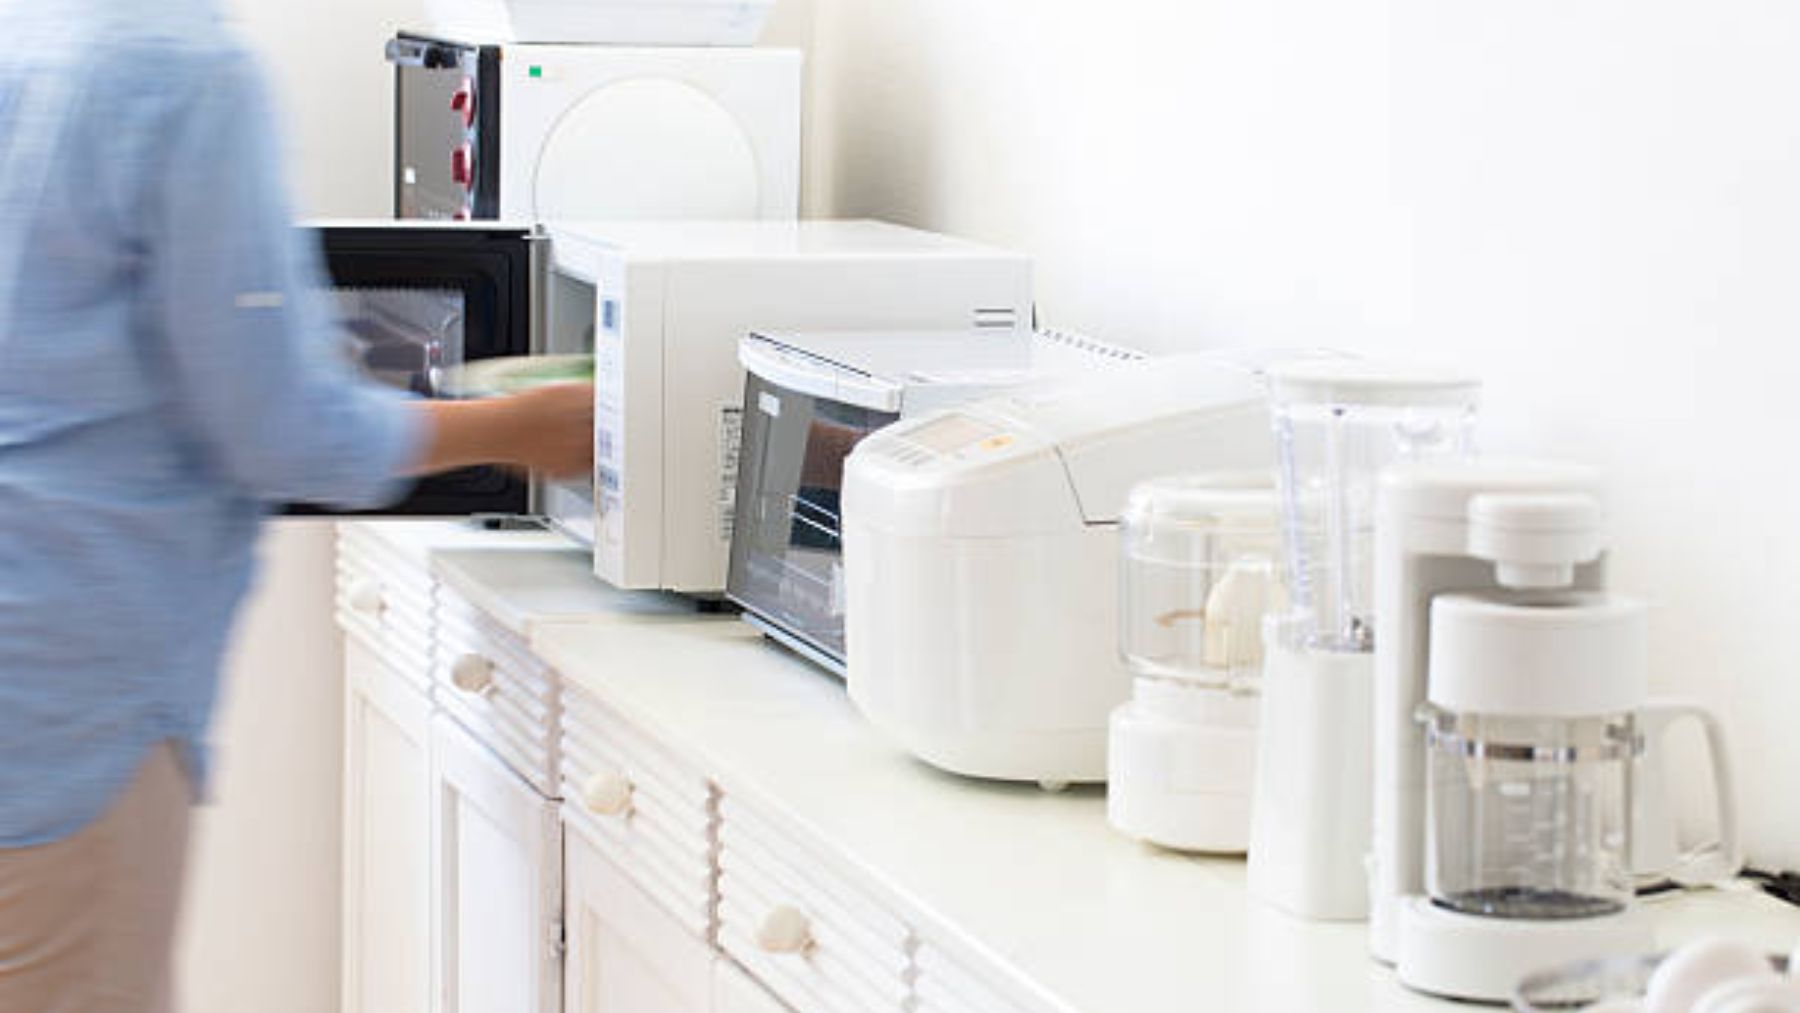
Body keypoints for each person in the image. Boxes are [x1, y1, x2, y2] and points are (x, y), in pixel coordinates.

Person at [0, 1, 594, 1008]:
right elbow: (279, 432)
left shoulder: (32, 32)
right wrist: (517, 427)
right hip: (66, 691)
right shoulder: (184, 67)